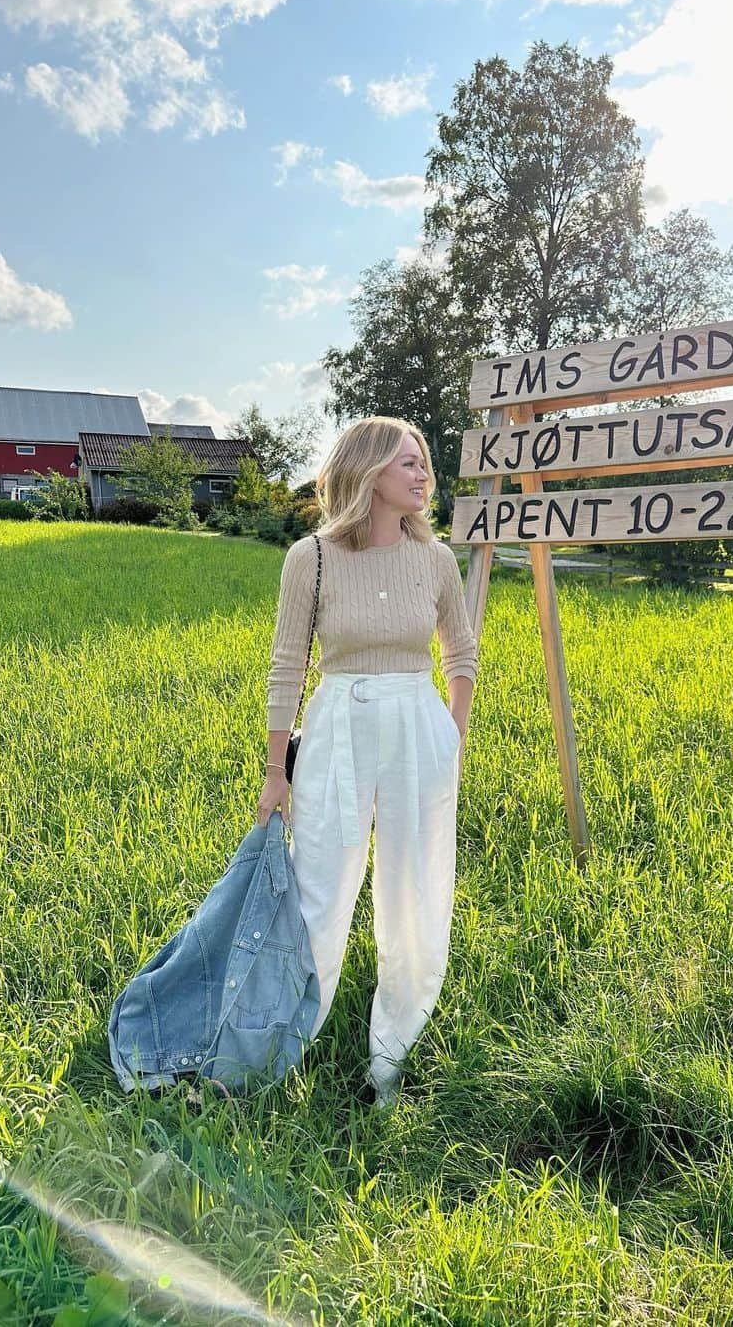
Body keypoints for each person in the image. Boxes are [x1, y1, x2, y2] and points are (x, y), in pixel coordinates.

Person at [256, 415, 478, 1112]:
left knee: (414, 895)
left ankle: (390, 1058)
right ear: (369, 472)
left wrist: (451, 736)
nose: (422, 476)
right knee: (320, 891)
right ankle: (284, 1050)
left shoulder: (437, 560)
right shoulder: (310, 558)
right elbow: (287, 666)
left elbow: (462, 655)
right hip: (337, 727)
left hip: (419, 729)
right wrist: (274, 771)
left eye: (424, 464)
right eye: (407, 463)